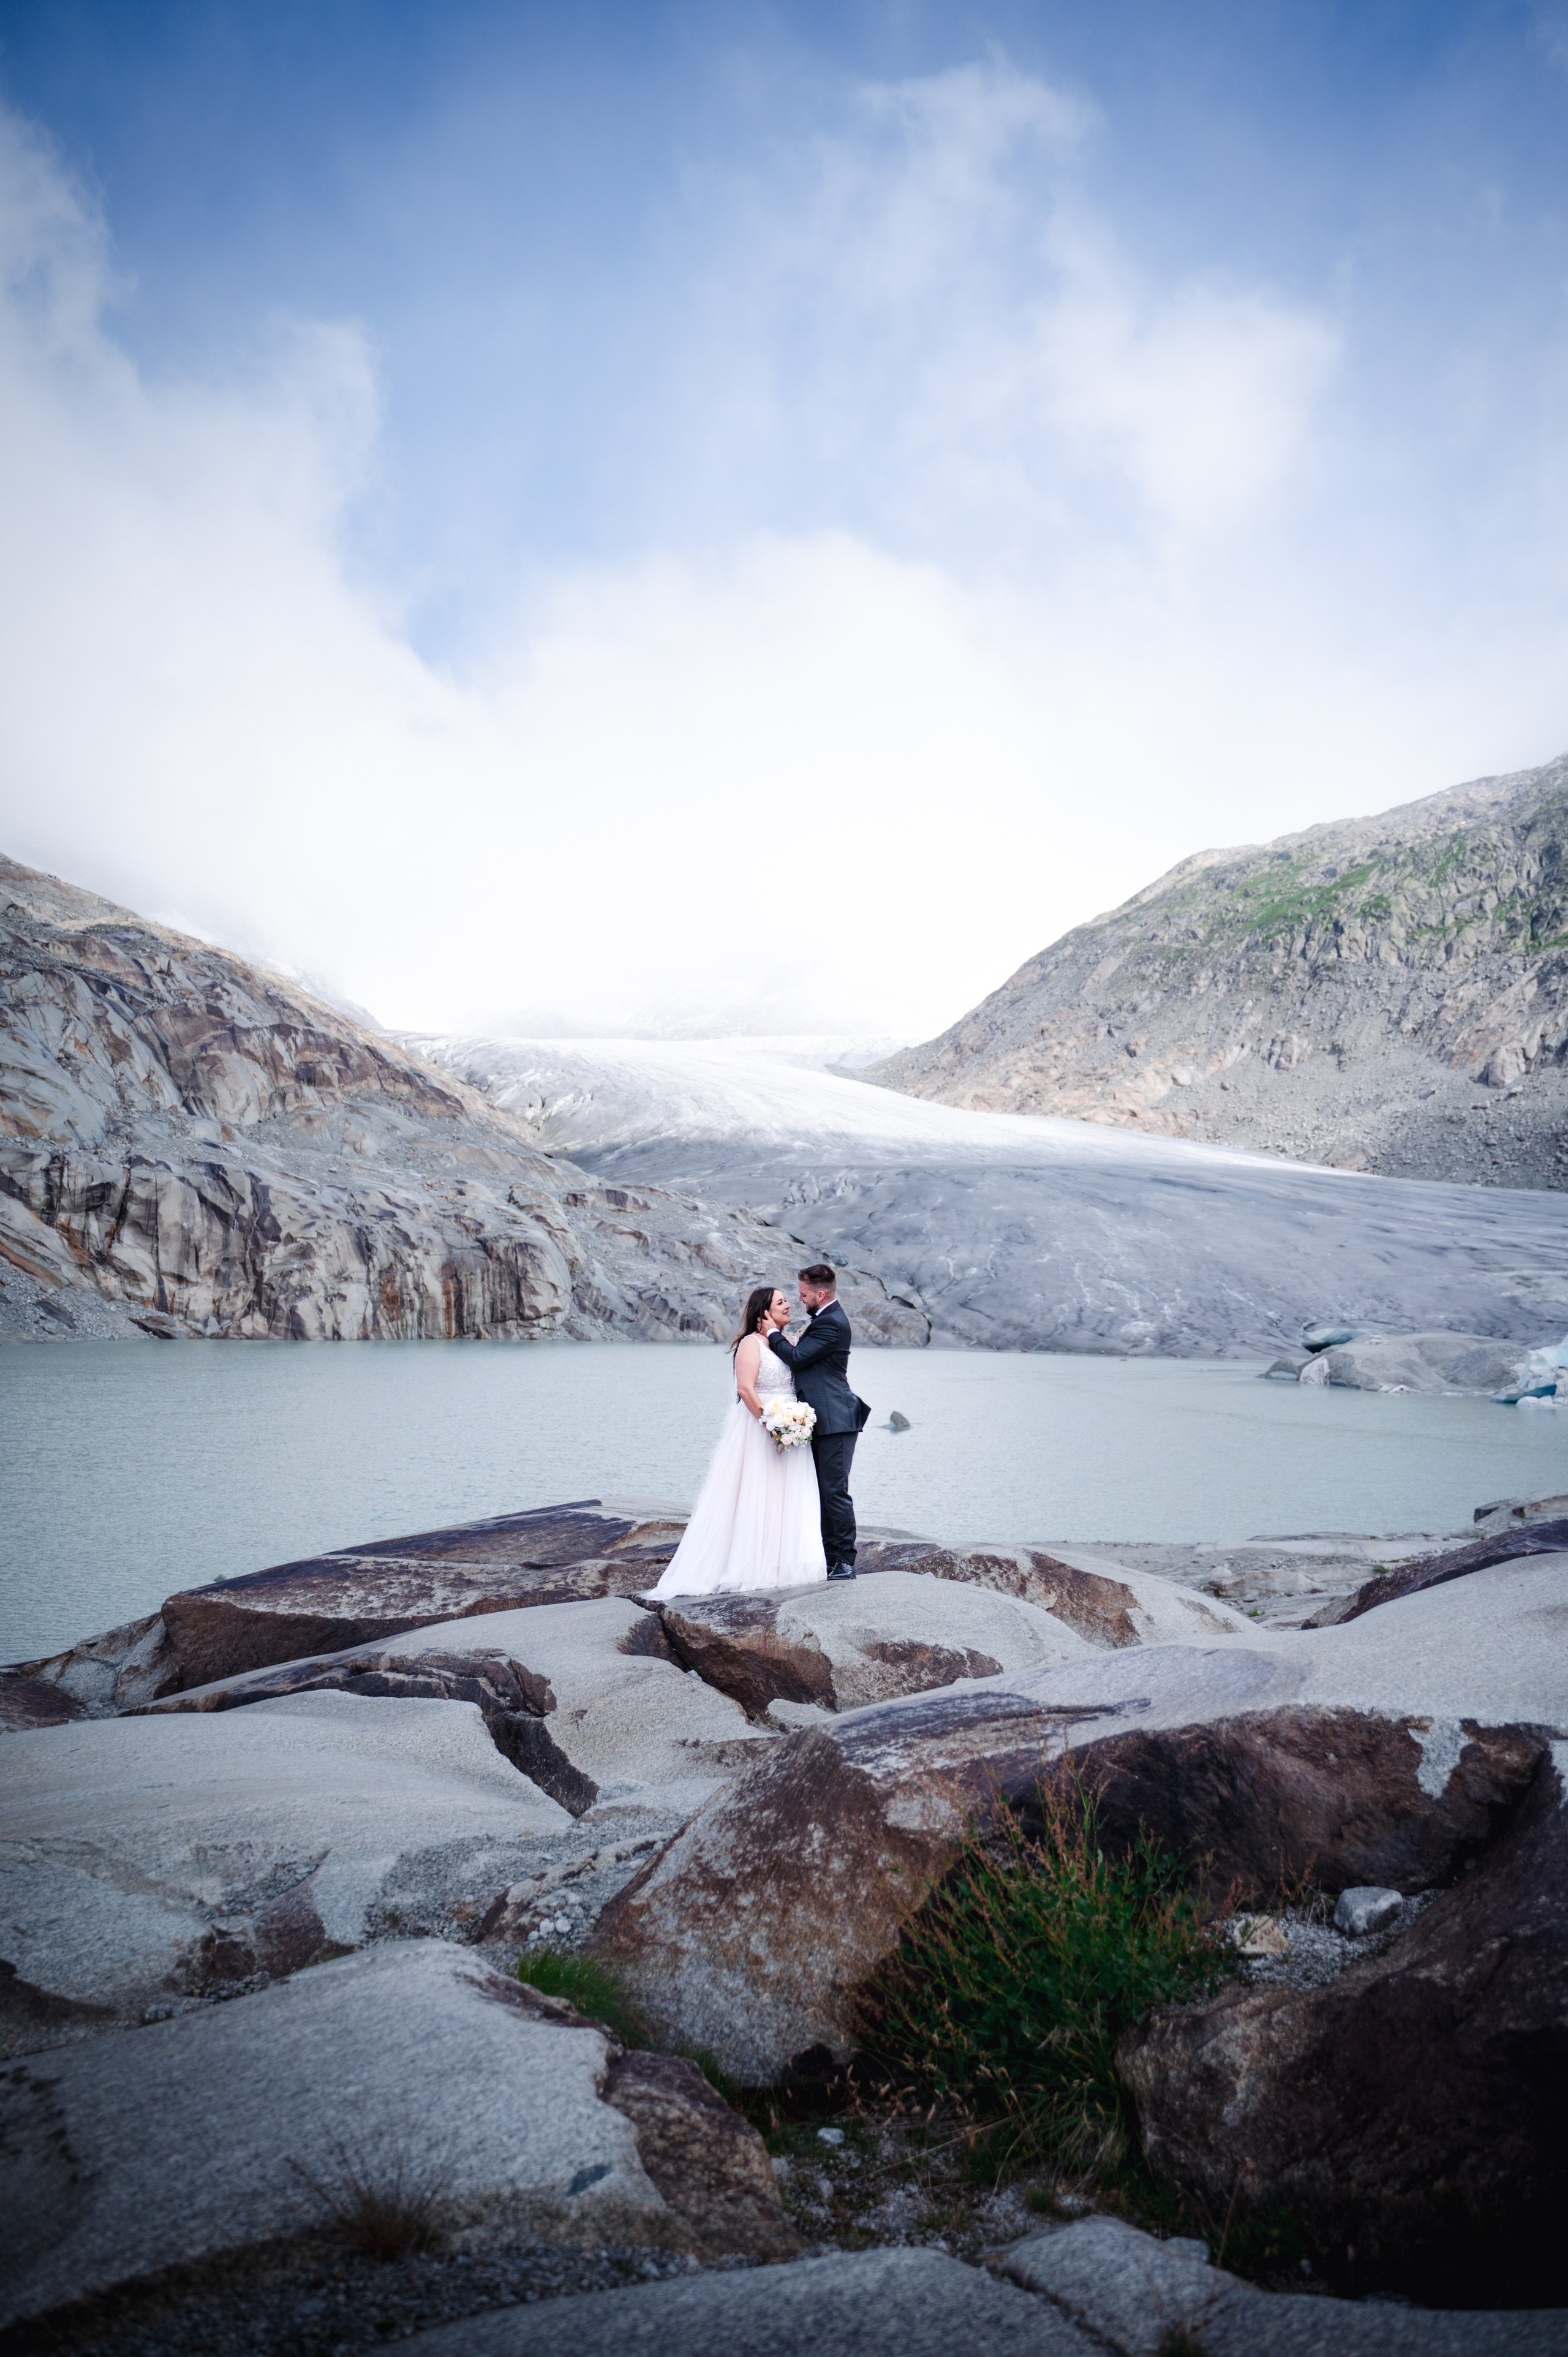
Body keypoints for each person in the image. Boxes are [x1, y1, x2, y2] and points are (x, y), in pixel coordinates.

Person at [649, 1284, 827, 1598]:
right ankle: (749, 1566)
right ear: (763, 1313)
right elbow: (745, 1389)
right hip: (761, 1426)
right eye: (781, 1302)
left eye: (788, 1301)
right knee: (757, 1494)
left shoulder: (788, 1342)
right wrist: (771, 1423)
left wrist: (793, 1425)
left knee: (789, 1495)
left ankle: (785, 1566)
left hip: (791, 1428)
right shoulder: (751, 1344)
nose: (788, 1306)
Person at [765, 1262, 870, 1582]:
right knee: (823, 1491)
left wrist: (771, 1333)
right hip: (822, 1419)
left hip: (836, 1419)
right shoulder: (824, 1319)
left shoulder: (832, 1323)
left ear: (820, 1294)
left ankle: (844, 1562)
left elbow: (797, 1358)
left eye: (804, 1295)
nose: (800, 1300)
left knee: (834, 1492)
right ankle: (828, 1558)